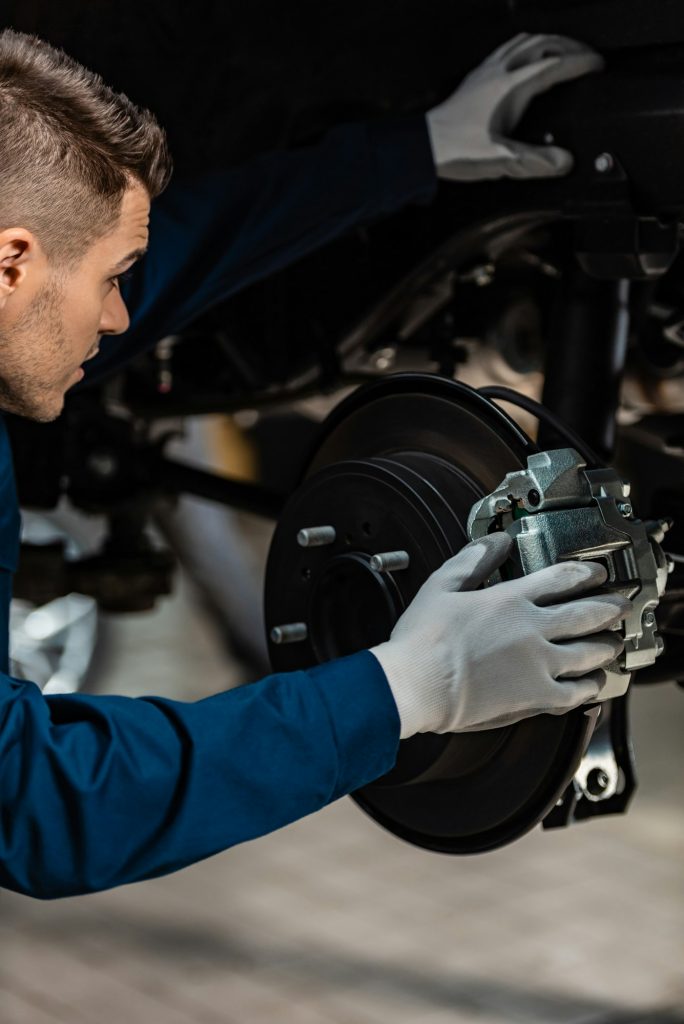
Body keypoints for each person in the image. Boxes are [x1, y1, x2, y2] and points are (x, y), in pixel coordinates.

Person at [0, 29, 630, 899]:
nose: (119, 323)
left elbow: (182, 259)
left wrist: (419, 150)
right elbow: (32, 799)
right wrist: (407, 689)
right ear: (13, 264)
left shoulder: (19, 303)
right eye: (112, 280)